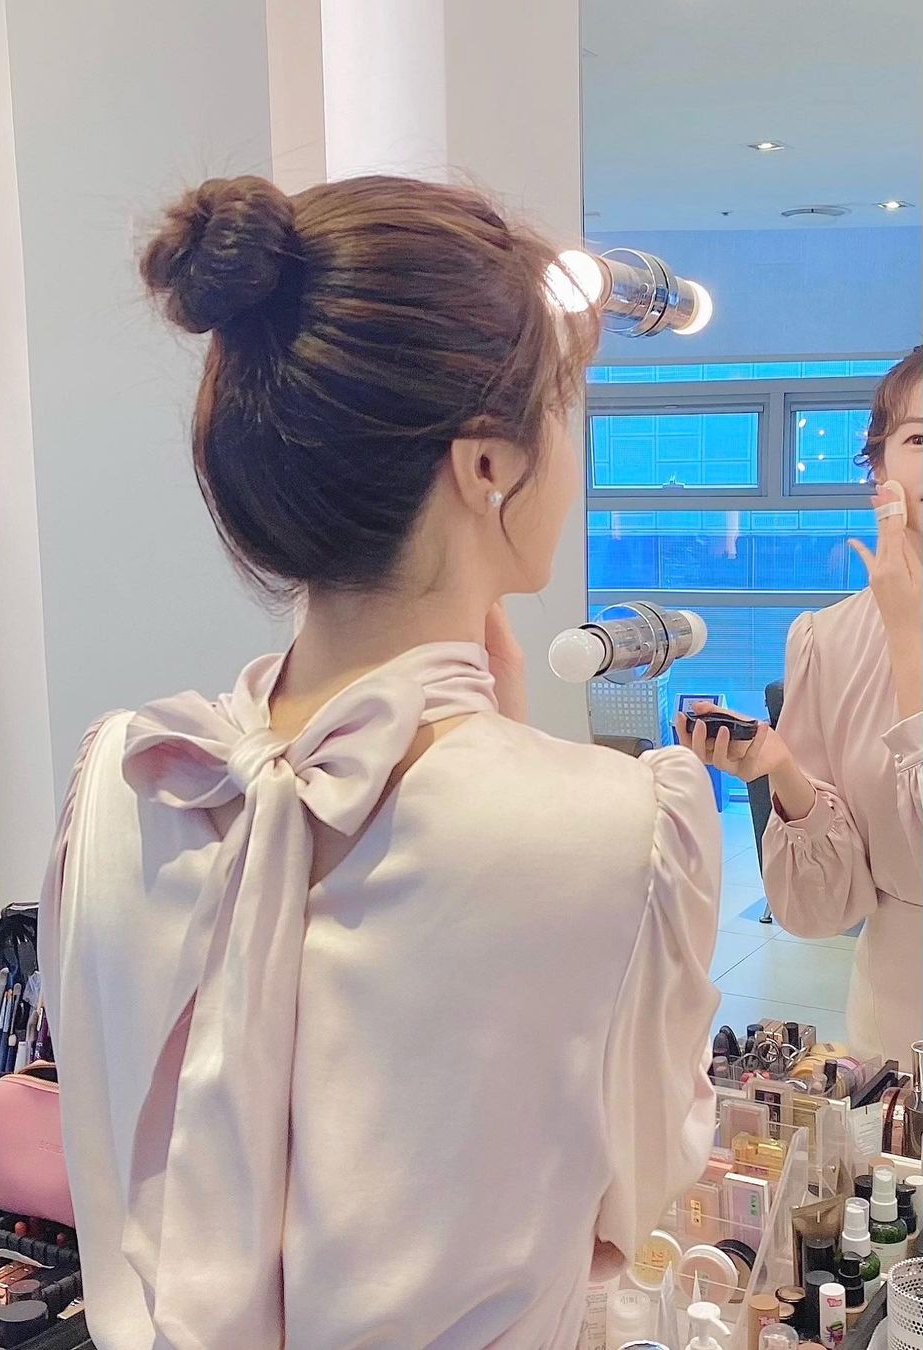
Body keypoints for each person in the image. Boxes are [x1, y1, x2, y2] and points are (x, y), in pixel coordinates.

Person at [38, 174, 722, 1350]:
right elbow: (629, 1203)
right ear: (488, 464)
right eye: (564, 410)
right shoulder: (625, 829)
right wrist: (529, 772)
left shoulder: (126, 774)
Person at [679, 348, 922, 1068]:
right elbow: (822, 908)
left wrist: (908, 633)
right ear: (878, 471)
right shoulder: (827, 640)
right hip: (898, 1016)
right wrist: (782, 771)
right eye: (922, 438)